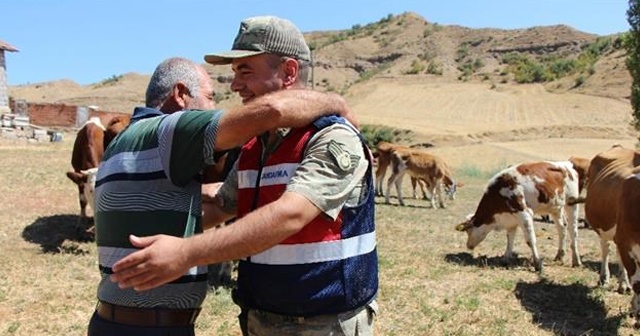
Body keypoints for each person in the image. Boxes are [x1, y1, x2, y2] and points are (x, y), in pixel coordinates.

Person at [110, 16, 379, 336]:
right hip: (260, 319)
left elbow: (290, 215)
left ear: (289, 72)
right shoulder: (256, 146)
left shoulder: (332, 136)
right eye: (235, 73)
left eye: (246, 71)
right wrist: (142, 227)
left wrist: (184, 253)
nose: (235, 85)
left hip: (325, 324)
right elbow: (224, 206)